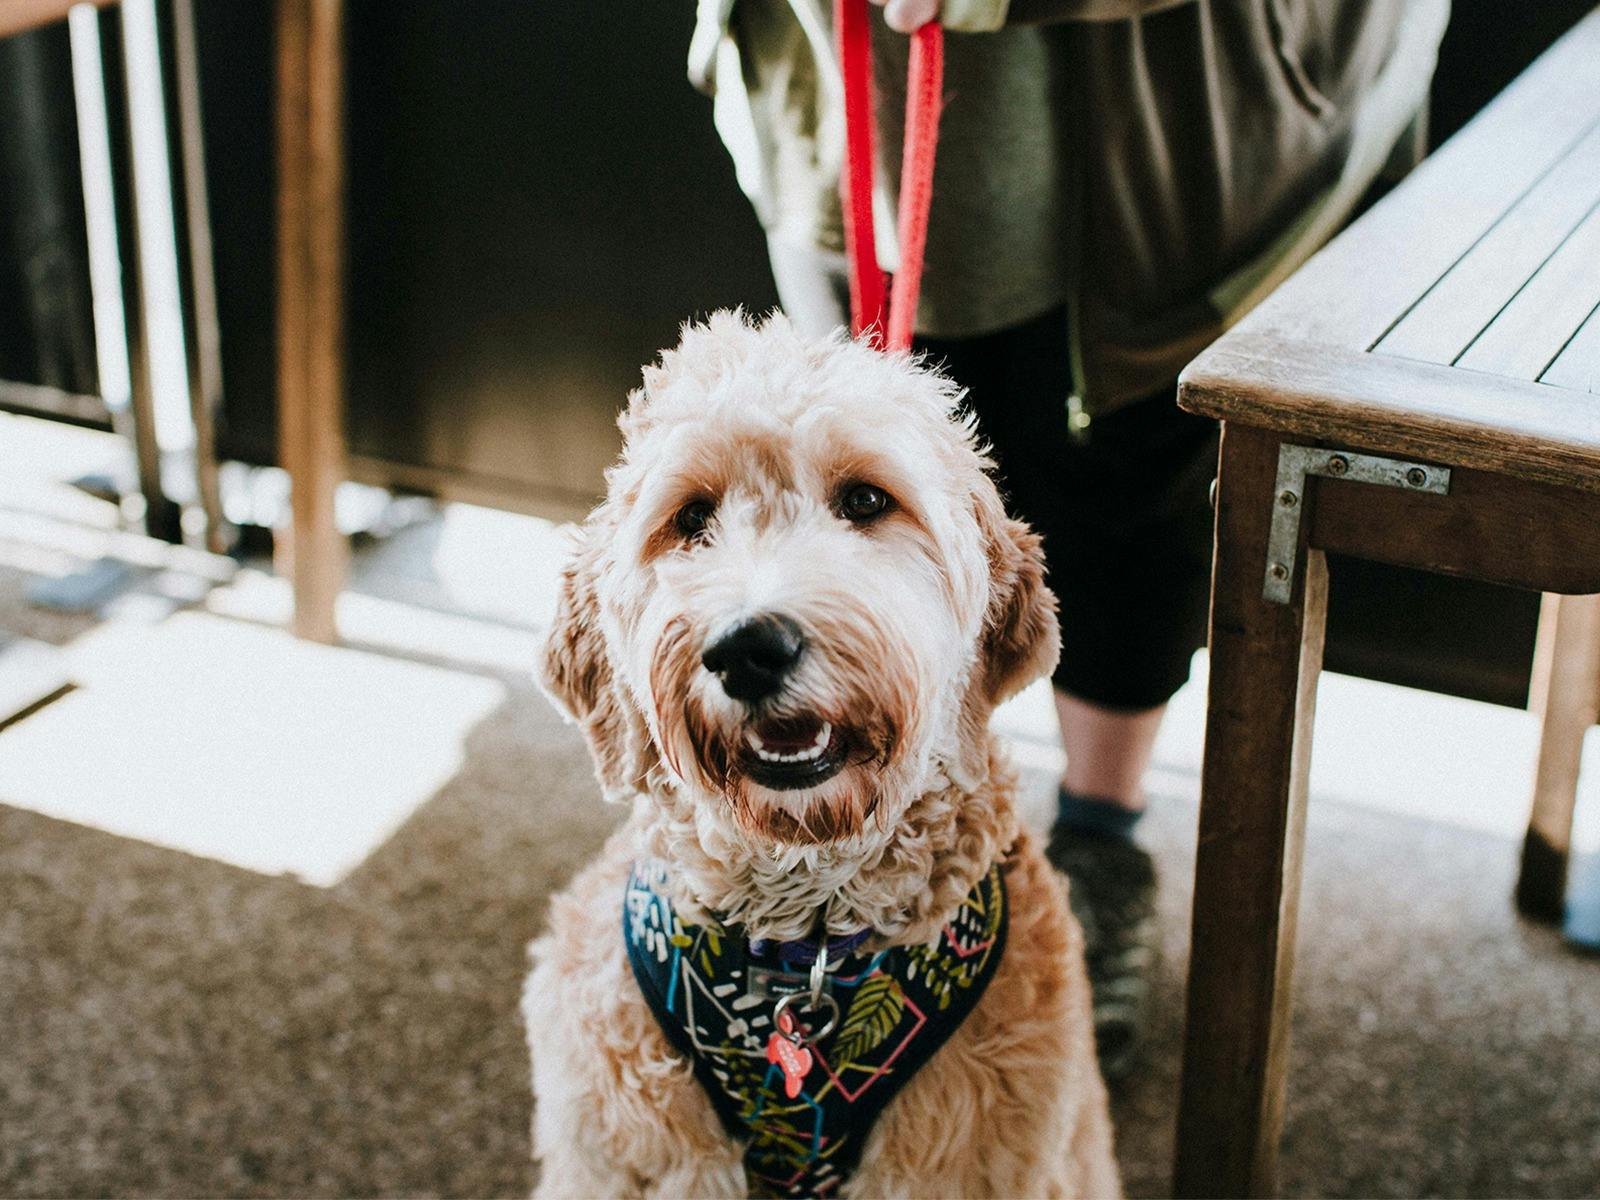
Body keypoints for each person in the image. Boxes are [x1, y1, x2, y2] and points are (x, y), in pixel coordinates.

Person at [689, 0, 1449, 1078]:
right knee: (858, 510)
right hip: (854, 94)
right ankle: (861, 853)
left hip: (1191, 113)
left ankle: (1097, 837)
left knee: (1127, 501)